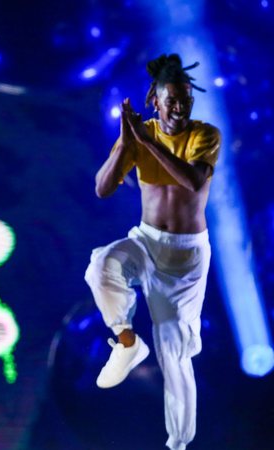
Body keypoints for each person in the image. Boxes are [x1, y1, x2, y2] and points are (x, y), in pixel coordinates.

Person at [84, 53, 220, 450]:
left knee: (174, 353)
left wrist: (145, 142)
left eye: (186, 99)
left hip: (186, 258)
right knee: (101, 266)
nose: (179, 107)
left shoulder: (205, 135)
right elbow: (103, 188)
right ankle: (126, 343)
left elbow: (193, 181)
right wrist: (127, 143)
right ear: (154, 100)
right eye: (171, 99)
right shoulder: (140, 134)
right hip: (146, 240)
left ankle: (178, 444)